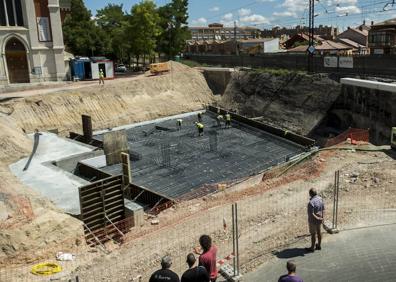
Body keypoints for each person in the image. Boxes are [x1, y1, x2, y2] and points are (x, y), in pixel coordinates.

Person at [306, 188, 324, 252]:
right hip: (320, 218)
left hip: (313, 221)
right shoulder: (320, 199)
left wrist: (316, 218)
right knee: (319, 232)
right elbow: (323, 209)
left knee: (313, 234)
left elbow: (311, 213)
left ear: (310, 194)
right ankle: (319, 245)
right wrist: (321, 217)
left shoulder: (311, 203)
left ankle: (312, 248)